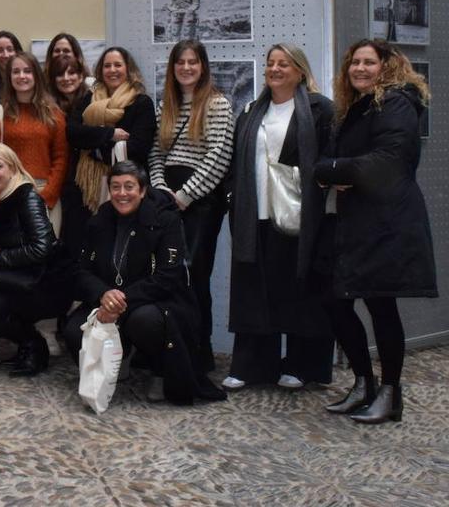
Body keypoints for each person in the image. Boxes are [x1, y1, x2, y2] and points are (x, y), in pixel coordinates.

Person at [314, 39, 435, 424]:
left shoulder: (396, 102)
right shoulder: (357, 107)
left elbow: (385, 162)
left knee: (383, 307)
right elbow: (349, 160)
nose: (360, 69)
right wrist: (333, 170)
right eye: (355, 62)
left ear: (386, 66)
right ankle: (364, 383)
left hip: (387, 223)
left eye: (369, 62)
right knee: (335, 301)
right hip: (355, 222)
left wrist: (330, 171)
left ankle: (390, 393)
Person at [63, 162, 226, 405]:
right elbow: (80, 272)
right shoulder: (98, 221)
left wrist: (118, 300)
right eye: (115, 187)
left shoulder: (166, 220)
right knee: (74, 330)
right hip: (108, 298)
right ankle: (121, 358)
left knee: (145, 322)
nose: (122, 193)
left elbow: (168, 277)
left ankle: (161, 370)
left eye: (129, 186)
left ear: (142, 190)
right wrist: (104, 294)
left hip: (155, 302)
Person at [225, 44, 335, 391]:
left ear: (300, 71)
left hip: (299, 215)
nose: (274, 69)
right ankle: (252, 366)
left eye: (283, 64)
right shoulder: (251, 111)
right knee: (253, 290)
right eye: (271, 64)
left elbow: (329, 159)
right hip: (254, 214)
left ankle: (301, 365)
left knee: (299, 290)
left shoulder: (320, 111)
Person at [148, 40, 233, 373]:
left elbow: (218, 156)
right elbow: (156, 152)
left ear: (203, 66)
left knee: (195, 278)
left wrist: (185, 195)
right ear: (172, 68)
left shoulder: (217, 104)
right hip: (166, 201)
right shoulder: (165, 106)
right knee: (166, 277)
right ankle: (170, 350)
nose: (186, 68)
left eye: (193, 62)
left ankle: (200, 353)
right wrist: (159, 189)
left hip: (200, 206)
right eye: (180, 62)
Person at [0, 144, 71, 377]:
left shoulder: (26, 196)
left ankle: (34, 346)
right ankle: (28, 344)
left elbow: (42, 248)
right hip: (10, 279)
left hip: (43, 282)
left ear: (12, 169)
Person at [67, 47, 156, 213]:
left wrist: (95, 148)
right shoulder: (90, 98)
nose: (112, 70)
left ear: (128, 69)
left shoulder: (141, 103)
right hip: (88, 185)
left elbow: (139, 147)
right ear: (101, 70)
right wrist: (110, 134)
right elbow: (73, 133)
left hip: (128, 186)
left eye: (118, 65)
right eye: (107, 66)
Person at [0, 52, 68, 219]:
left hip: (43, 191)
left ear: (36, 75)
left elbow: (61, 158)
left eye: (27, 71)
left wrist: (47, 195)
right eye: (16, 72)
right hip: (7, 191)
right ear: (9, 77)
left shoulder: (54, 114)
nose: (21, 76)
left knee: (45, 245)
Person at [47, 57, 91, 260]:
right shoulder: (48, 108)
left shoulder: (93, 102)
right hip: (61, 182)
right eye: (60, 74)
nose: (66, 78)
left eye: (72, 73)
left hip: (91, 181)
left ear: (81, 75)